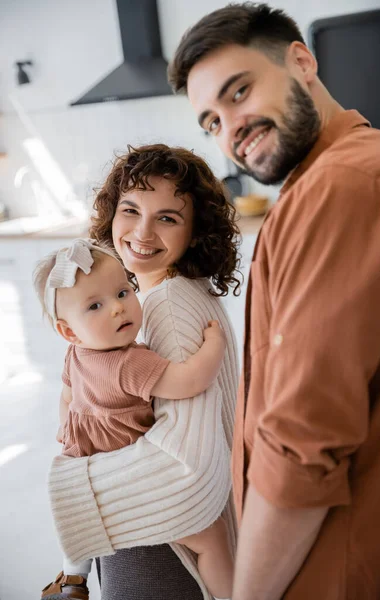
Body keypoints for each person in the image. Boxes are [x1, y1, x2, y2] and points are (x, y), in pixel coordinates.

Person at [168, 3, 380, 600]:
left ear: (301, 60)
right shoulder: (359, 166)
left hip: (335, 570)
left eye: (239, 92)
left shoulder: (338, 186)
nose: (231, 129)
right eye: (211, 122)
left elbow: (301, 445)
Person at [45, 144, 241, 600]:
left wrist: (73, 486)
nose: (142, 231)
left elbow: (184, 458)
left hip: (159, 538)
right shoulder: (149, 300)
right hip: (144, 515)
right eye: (131, 209)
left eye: (168, 218)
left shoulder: (167, 306)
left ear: (196, 232)